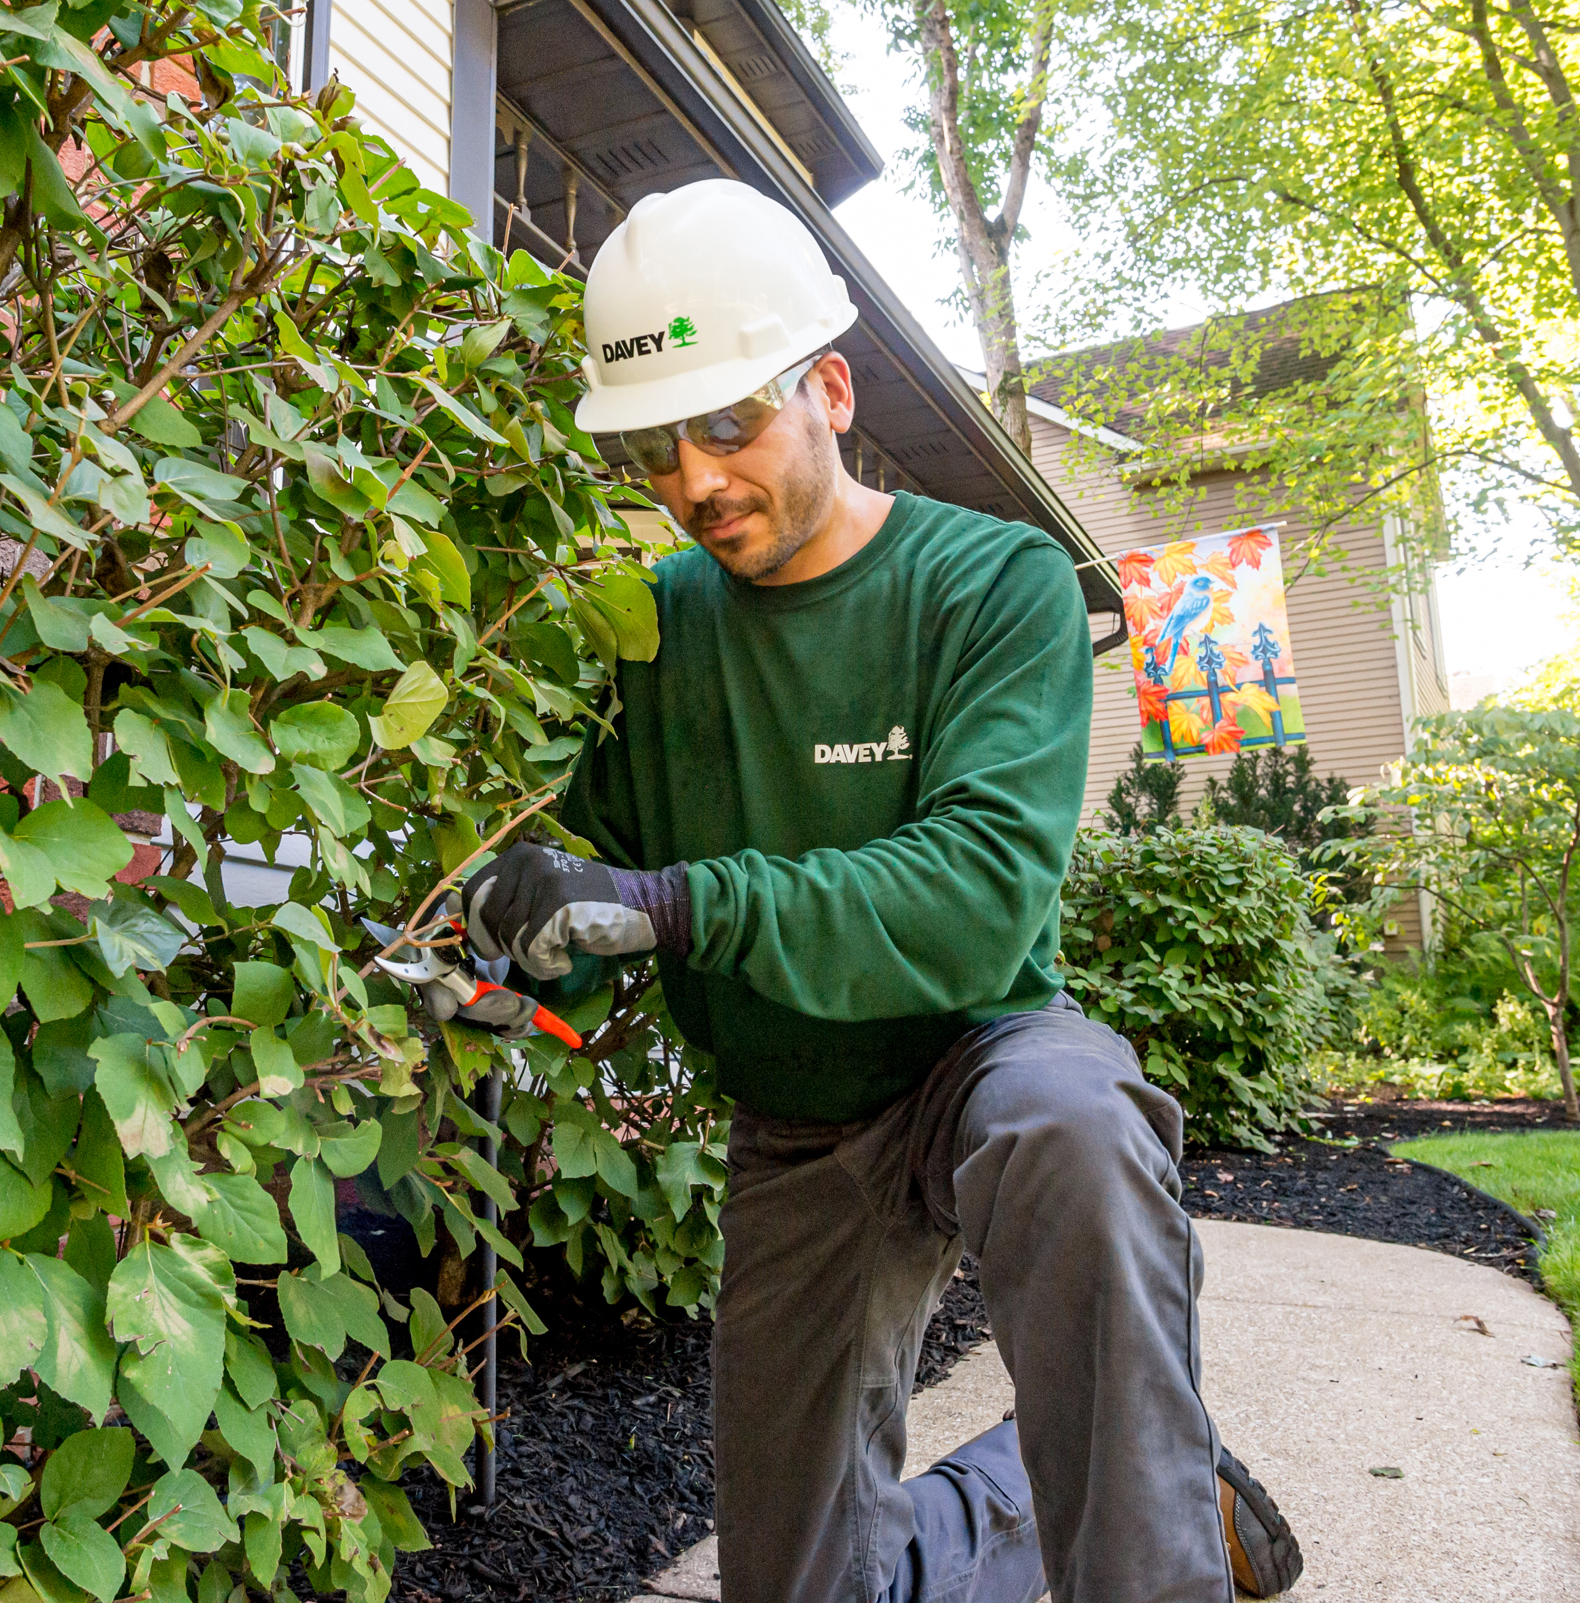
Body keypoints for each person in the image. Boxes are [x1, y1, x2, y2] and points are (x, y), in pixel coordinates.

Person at [452, 178, 1304, 1603]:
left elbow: (973, 894)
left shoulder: (993, 584)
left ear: (830, 390)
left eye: (731, 425)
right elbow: (588, 905)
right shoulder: (650, 632)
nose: (698, 479)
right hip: (798, 1121)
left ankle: (1149, 1543)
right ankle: (1109, 1472)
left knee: (1081, 1126)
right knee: (802, 1588)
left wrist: (673, 905)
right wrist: (521, 934)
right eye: (660, 447)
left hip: (983, 1053)